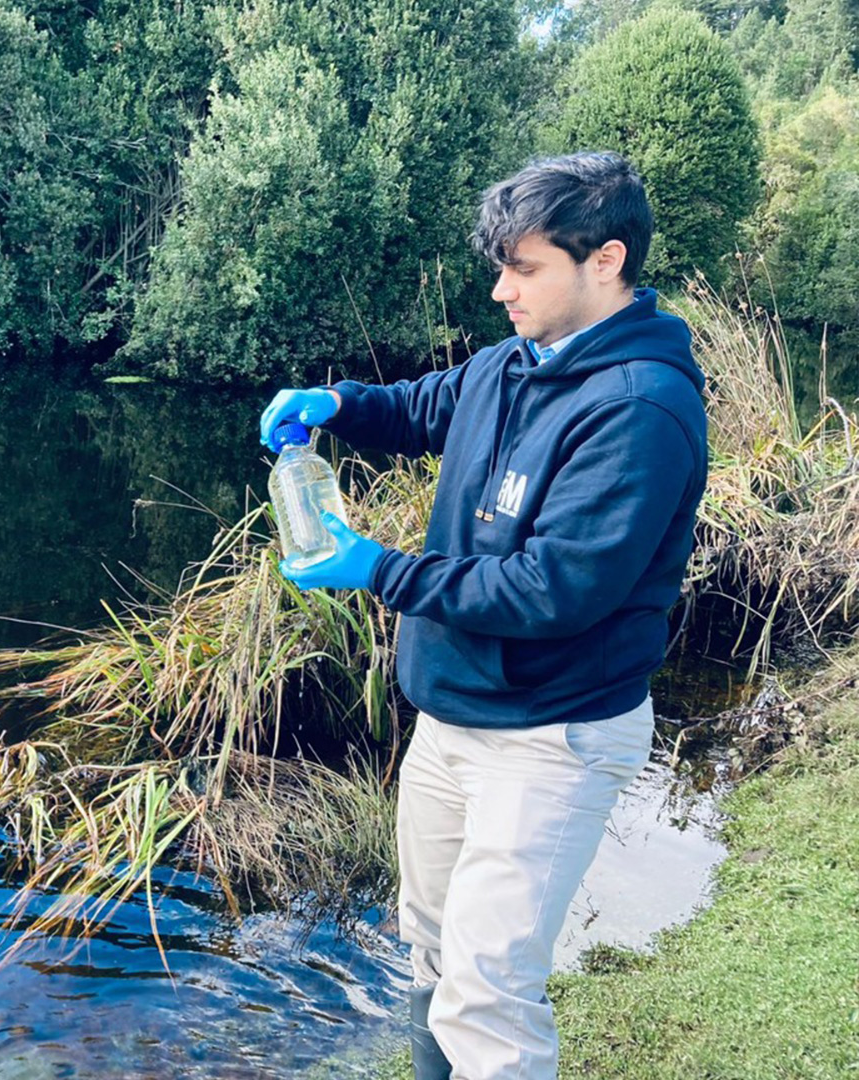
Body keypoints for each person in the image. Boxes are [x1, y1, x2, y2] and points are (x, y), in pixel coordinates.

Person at [258, 152, 708, 1079]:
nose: (501, 289)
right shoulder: (513, 361)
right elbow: (425, 405)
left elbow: (553, 591)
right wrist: (336, 403)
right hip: (453, 716)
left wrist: (377, 568)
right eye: (499, 266)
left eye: (525, 268)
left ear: (606, 260)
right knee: (428, 946)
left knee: (488, 992)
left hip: (556, 732)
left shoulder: (641, 408)